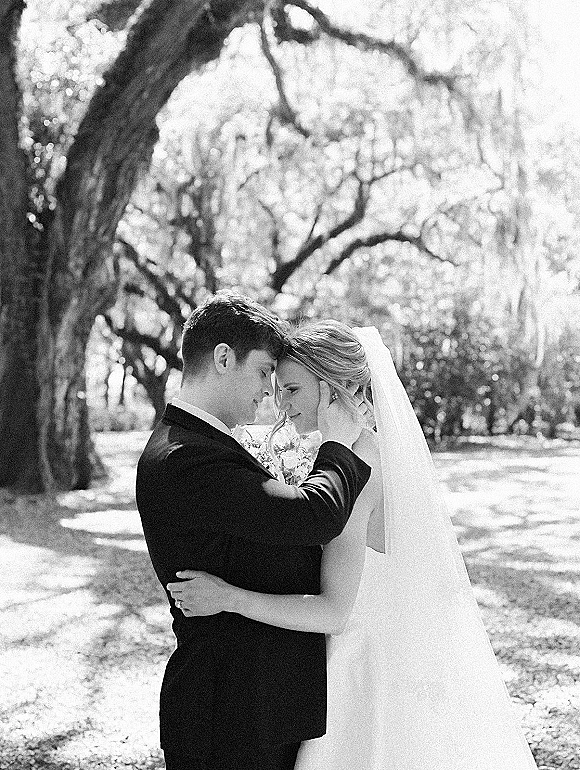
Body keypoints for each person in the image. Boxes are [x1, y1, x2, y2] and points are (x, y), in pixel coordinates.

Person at [169, 320, 539, 770]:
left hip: (364, 671)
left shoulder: (356, 471)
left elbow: (333, 612)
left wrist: (228, 597)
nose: (279, 404)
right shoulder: (364, 454)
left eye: (291, 389)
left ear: (334, 390)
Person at [136, 294, 372, 770]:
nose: (270, 393)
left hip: (253, 711)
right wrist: (338, 444)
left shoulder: (202, 445)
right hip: (228, 716)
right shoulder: (188, 457)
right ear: (224, 358)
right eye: (265, 372)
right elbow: (313, 516)